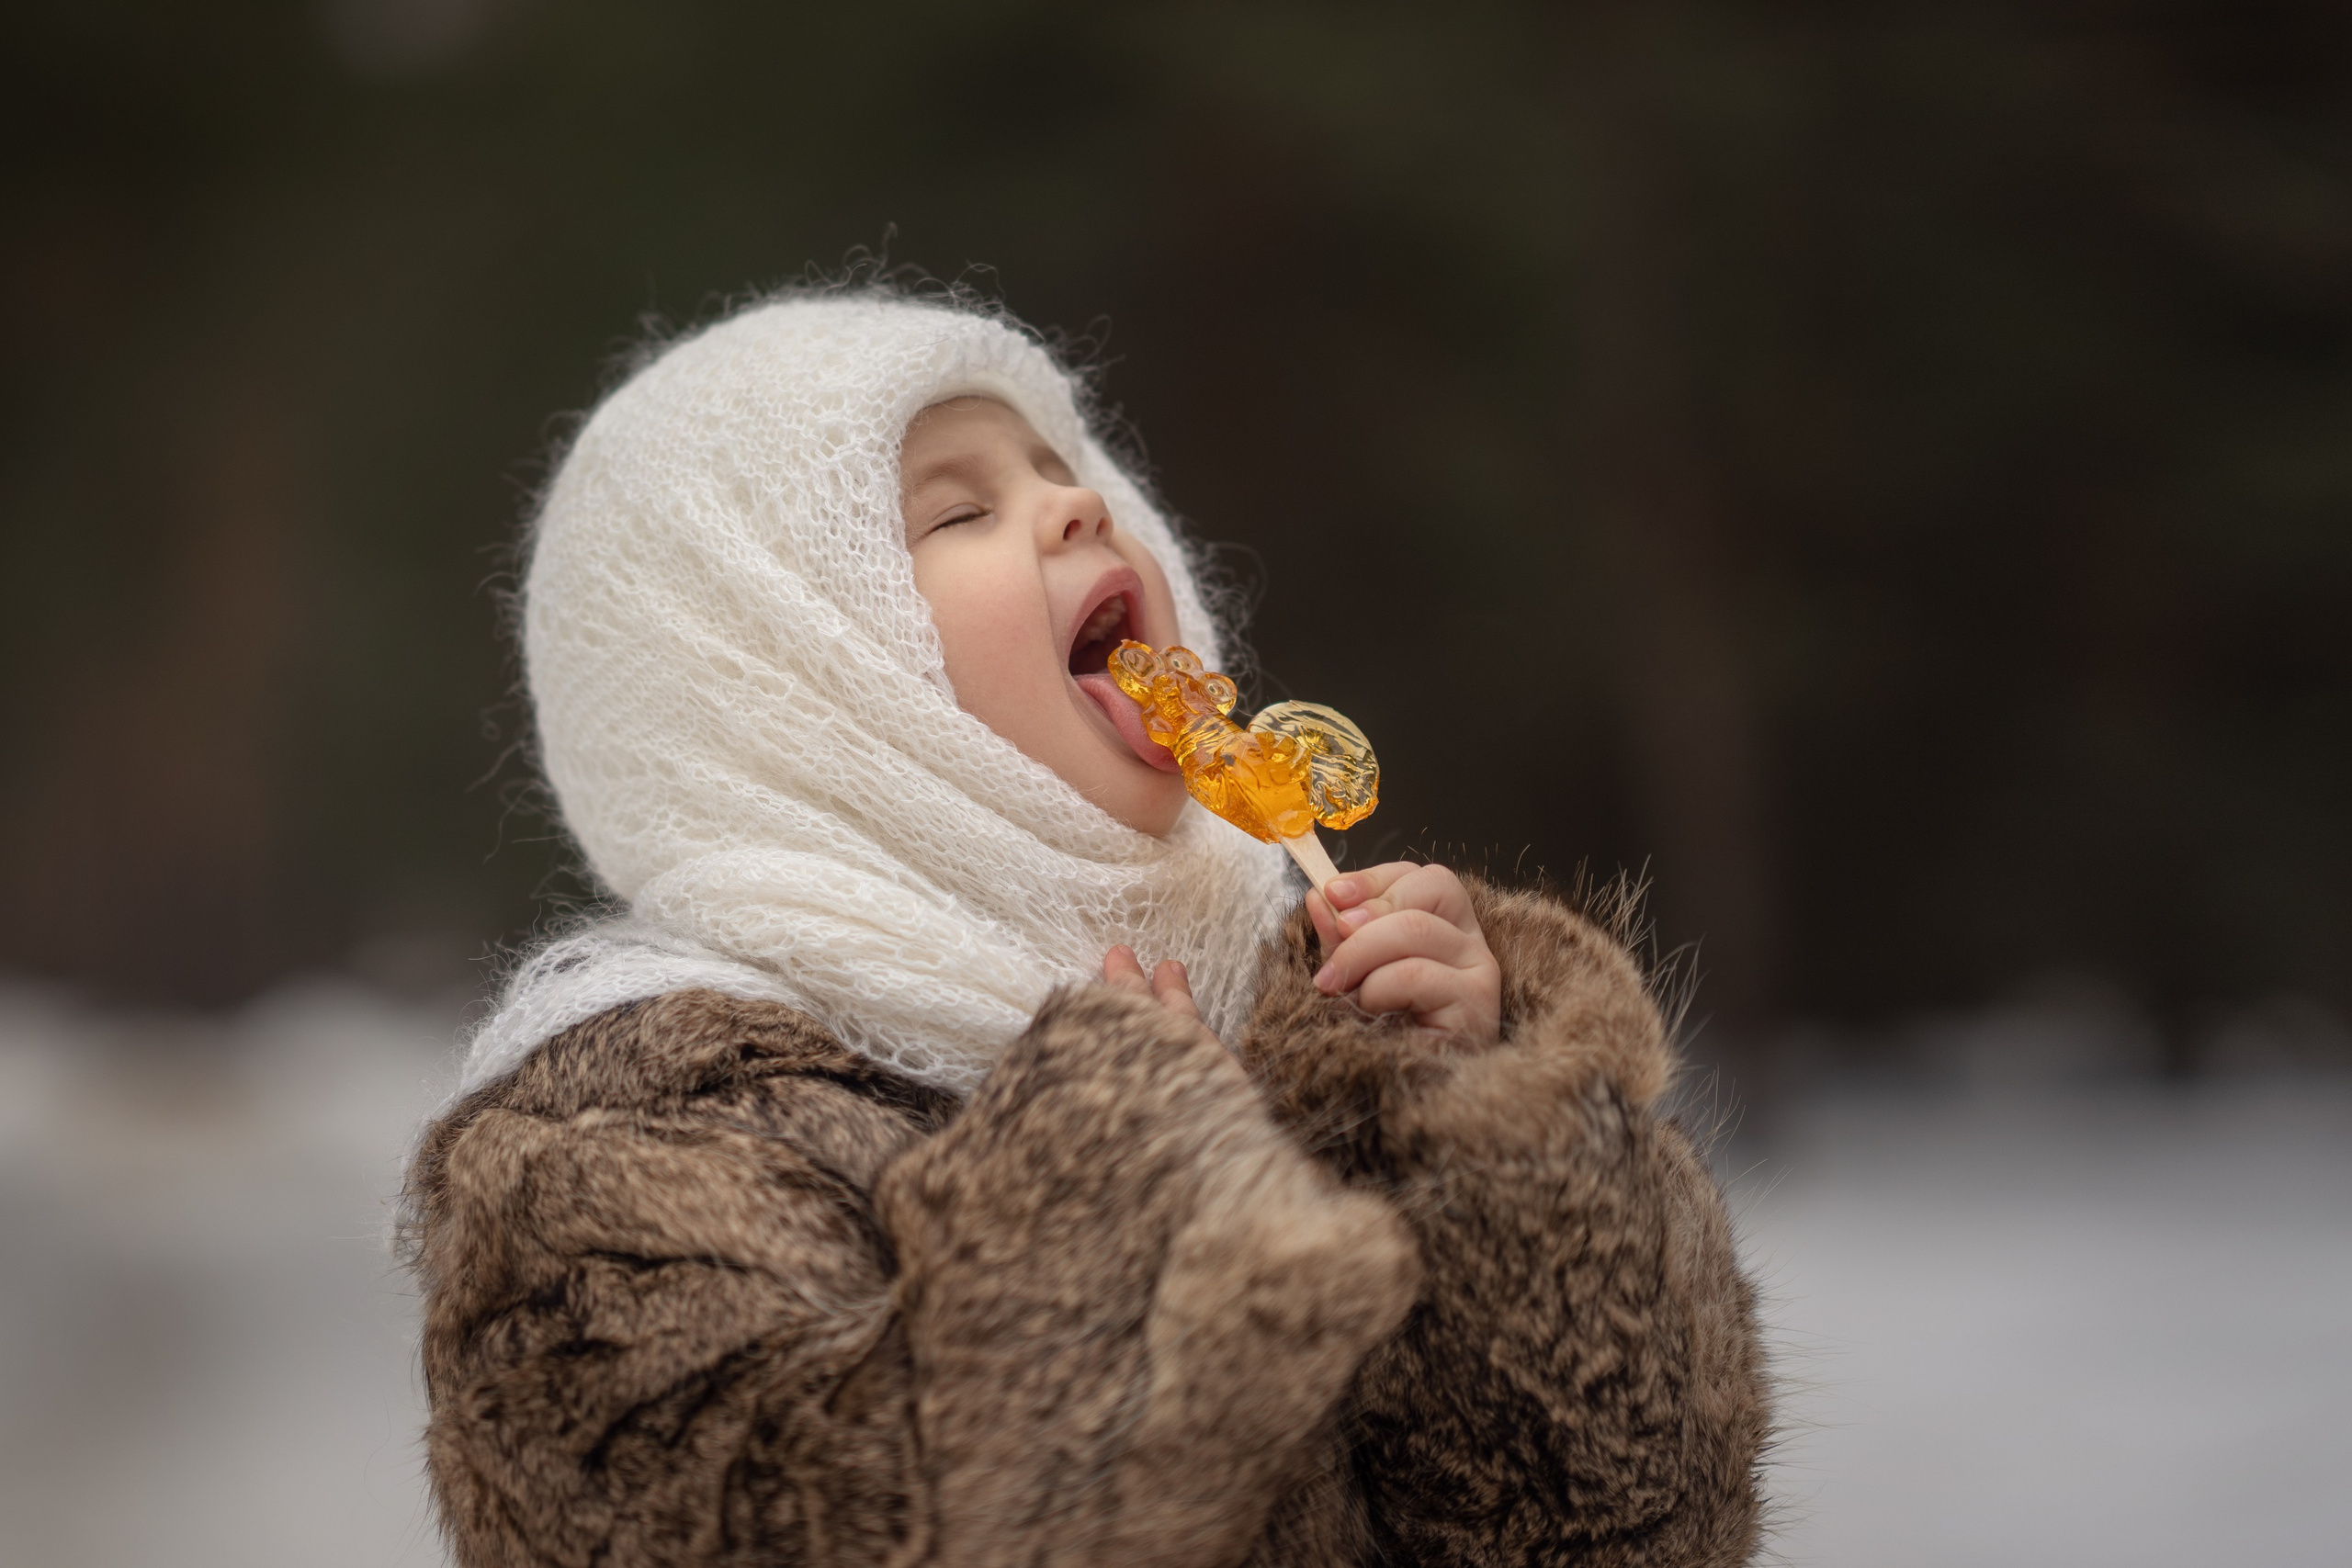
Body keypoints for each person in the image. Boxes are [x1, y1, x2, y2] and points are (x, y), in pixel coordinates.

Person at [401, 288, 1770, 1567]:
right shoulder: (616, 1165)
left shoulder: (1294, 1026)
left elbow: (1628, 1536)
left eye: (1067, 470)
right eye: (956, 515)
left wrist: (1476, 1141)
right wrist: (1097, 1189)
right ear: (790, 681)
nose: (1074, 508)